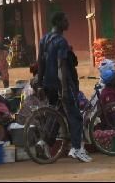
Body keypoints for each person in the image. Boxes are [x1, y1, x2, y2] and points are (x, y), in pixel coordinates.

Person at [37, 11, 92, 162]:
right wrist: (66, 89)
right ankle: (76, 149)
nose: (68, 23)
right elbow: (62, 67)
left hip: (49, 84)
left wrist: (40, 84)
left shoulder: (44, 39)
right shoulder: (61, 41)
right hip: (62, 84)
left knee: (56, 114)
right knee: (75, 116)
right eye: (66, 20)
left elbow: (40, 63)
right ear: (59, 22)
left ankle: (43, 143)